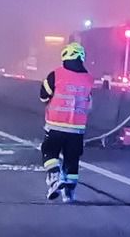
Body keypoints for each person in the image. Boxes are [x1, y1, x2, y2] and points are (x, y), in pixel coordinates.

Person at [38, 40, 94, 202]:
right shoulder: (89, 79)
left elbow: (43, 96)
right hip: (77, 130)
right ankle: (69, 192)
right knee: (72, 159)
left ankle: (54, 178)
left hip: (55, 126)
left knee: (49, 152)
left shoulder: (56, 74)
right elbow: (89, 103)